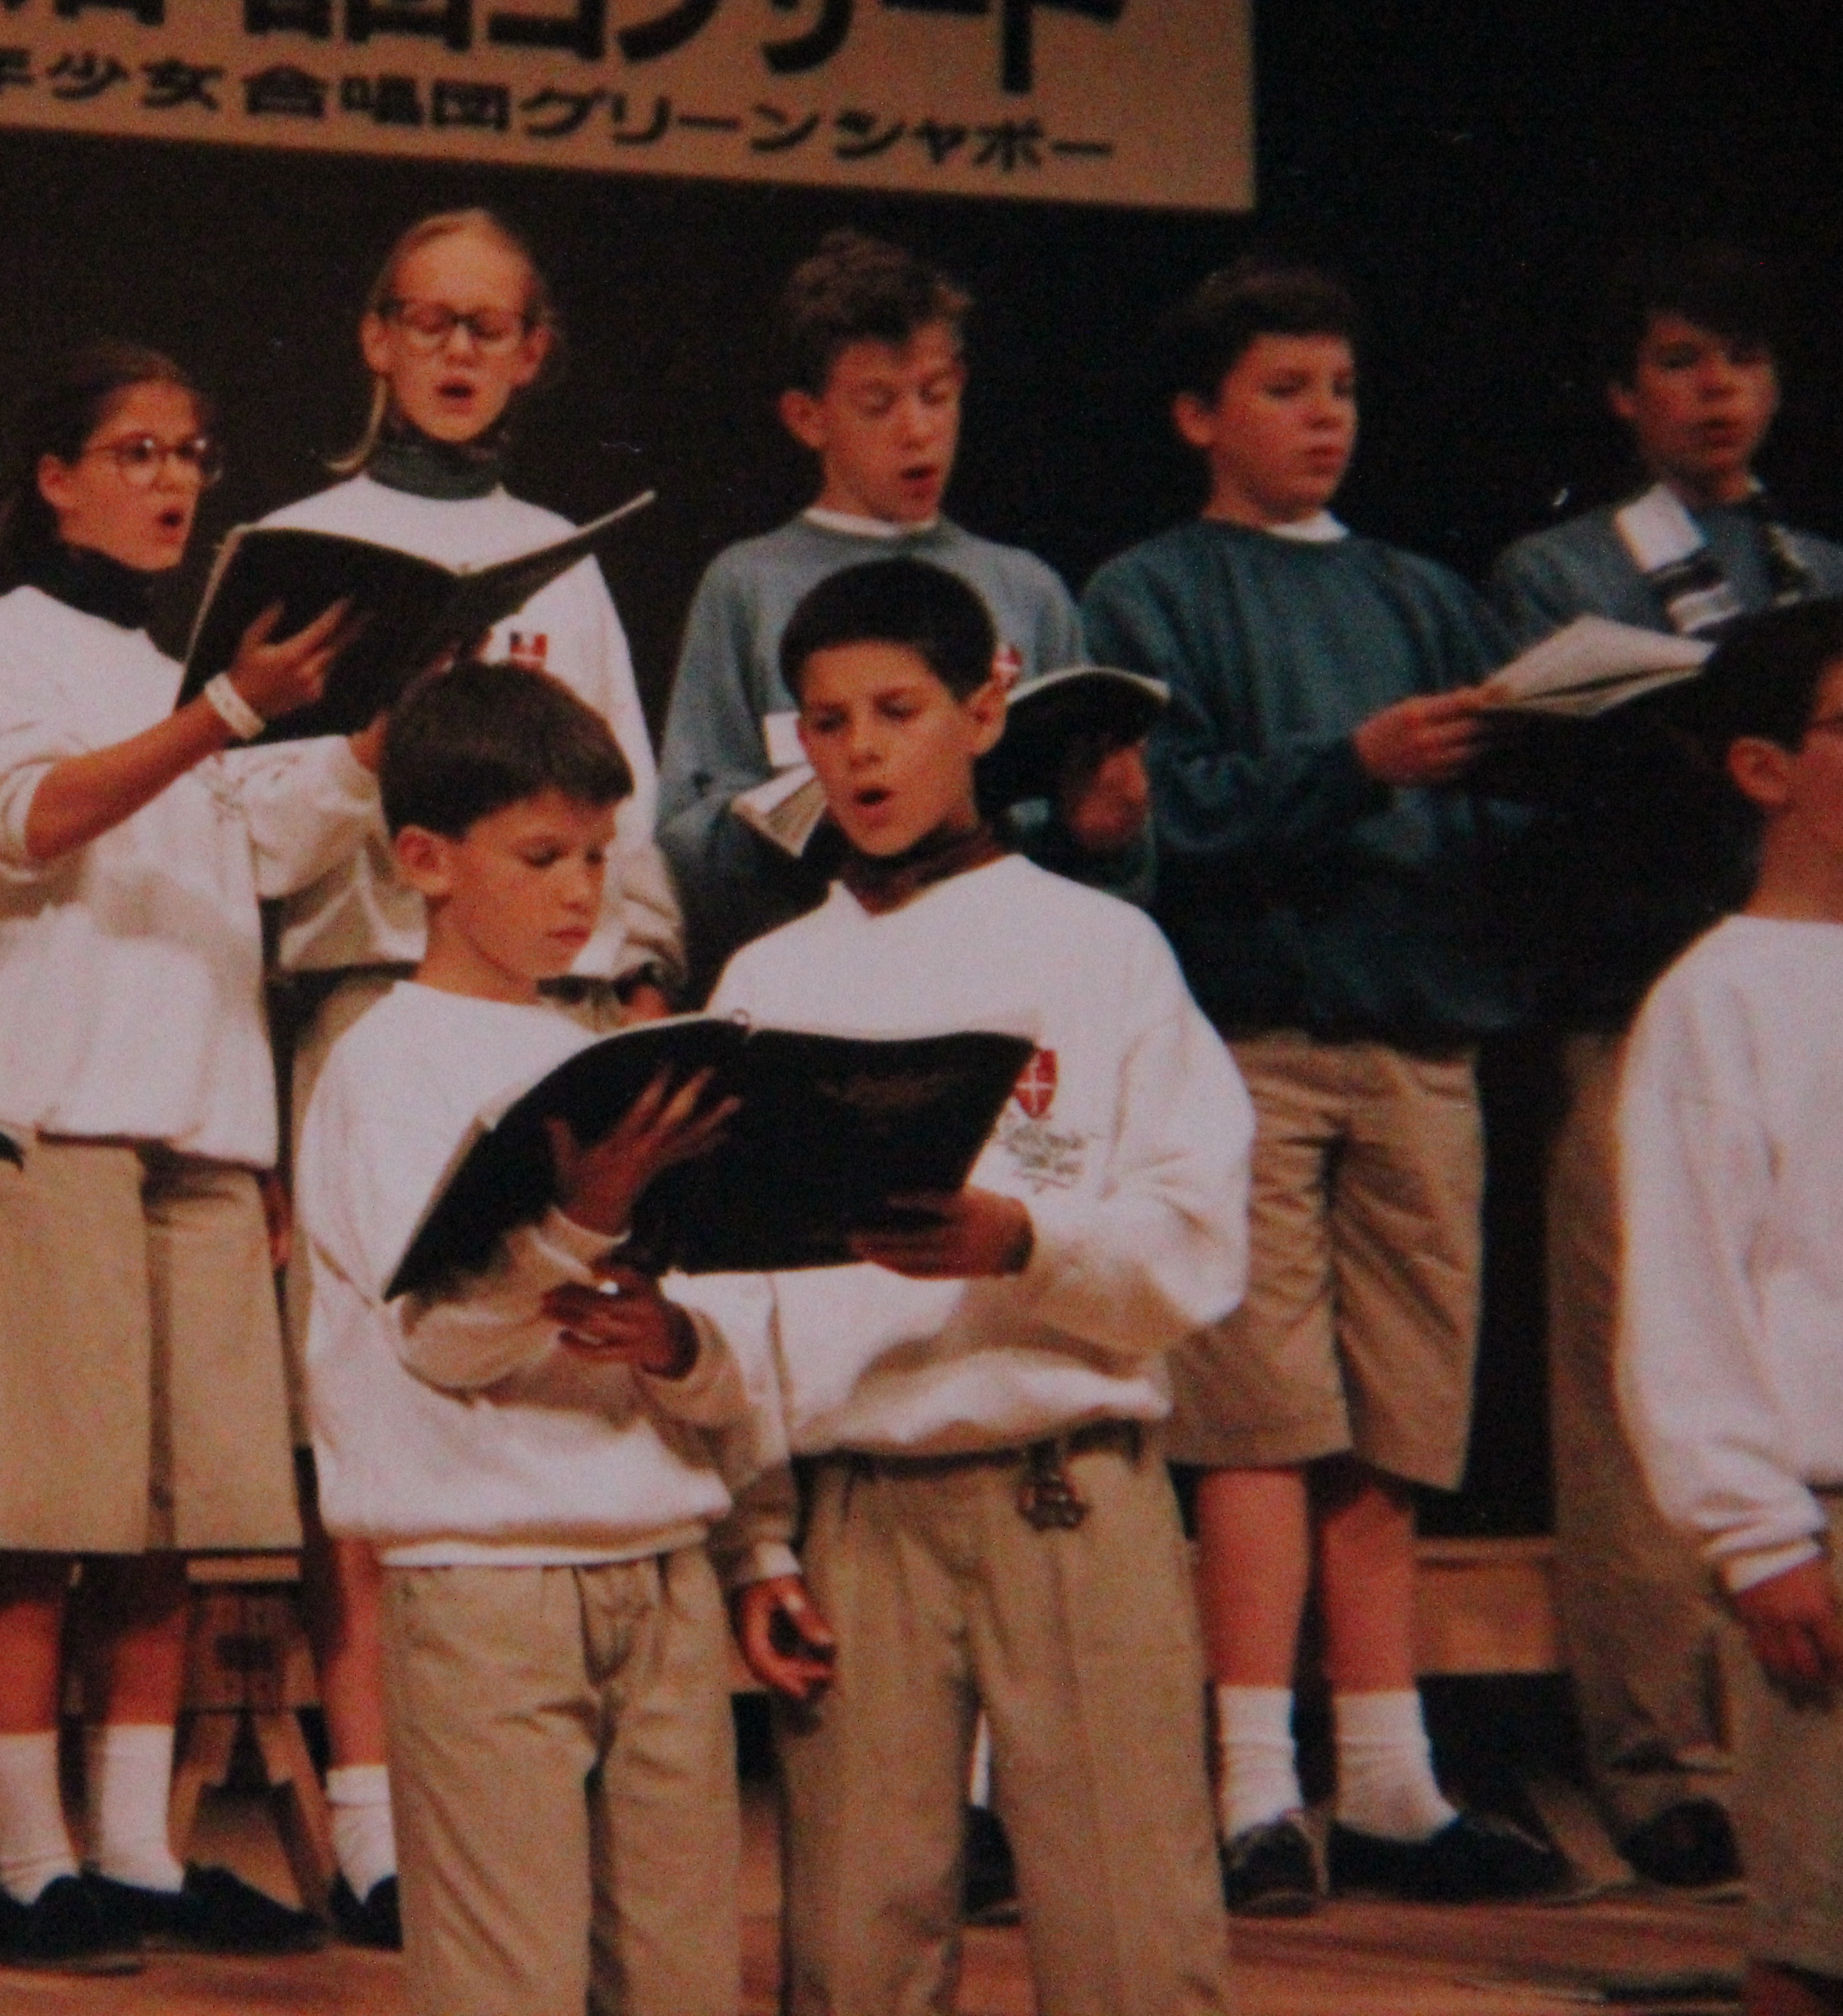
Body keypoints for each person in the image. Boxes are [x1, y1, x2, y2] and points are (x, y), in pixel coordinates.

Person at [667, 557, 1248, 2015]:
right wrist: (756, 1539)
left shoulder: (1100, 948)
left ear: (983, 710)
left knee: (1132, 1937)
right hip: (857, 1507)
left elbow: (1196, 1237)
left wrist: (1021, 1244)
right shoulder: (765, 982)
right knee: (854, 1946)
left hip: (1066, 1485)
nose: (860, 752)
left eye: (896, 711)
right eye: (826, 722)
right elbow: (727, 1286)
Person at [1081, 258, 1558, 1908]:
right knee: (1261, 1419)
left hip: (1419, 1042)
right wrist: (1352, 765)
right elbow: (1159, 814)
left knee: (1397, 1417)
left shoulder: (1423, 595)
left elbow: (1502, 808)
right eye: (1284, 390)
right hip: (1257, 1044)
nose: (1322, 419)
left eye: (1339, 390)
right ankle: (1251, 1784)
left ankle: (1391, 1778)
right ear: (1198, 415)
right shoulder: (1152, 592)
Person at [0, 342, 373, 1968]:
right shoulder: (6, 641)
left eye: (191, 453)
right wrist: (225, 711)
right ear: (57, 479)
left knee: (171, 1512)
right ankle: (25, 1865)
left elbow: (249, 846)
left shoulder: (178, 670)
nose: (172, 481)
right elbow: (23, 818)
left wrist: (367, 736)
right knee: (37, 1511)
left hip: (194, 1116)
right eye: (137, 451)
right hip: (43, 1113)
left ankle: (134, 1852)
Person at [253, 205, 683, 1946]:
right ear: (374, 337)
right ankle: (376, 1812)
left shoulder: (558, 561)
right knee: (383, 1390)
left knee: (552, 1340)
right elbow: (247, 827)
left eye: (486, 325)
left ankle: (540, 1790)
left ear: (531, 352)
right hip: (370, 984)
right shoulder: (307, 545)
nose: (453, 351)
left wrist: (637, 979)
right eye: (424, 319)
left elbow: (617, 797)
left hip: (552, 1001)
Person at [297, 659, 764, 2016]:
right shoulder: (384, 1063)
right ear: (426, 860)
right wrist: (583, 1214)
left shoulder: (606, 1050)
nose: (580, 890)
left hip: (659, 1564)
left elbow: (729, 1342)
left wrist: (675, 1342)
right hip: (485, 1578)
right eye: (541, 855)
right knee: (507, 1979)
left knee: (682, 1980)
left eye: (599, 855)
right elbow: (441, 1344)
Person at [1484, 243, 1843, 1887]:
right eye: (1681, 360)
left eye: (1744, 361)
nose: (1718, 391)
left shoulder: (1824, 569)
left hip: (1827, 989)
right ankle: (1662, 1754)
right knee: (1651, 1357)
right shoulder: (1561, 569)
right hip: (1644, 986)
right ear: (1623, 392)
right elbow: (1521, 798)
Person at [660, 230, 1146, 968]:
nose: (918, 430)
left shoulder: (1027, 589)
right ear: (808, 418)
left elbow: (1108, 865)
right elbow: (684, 832)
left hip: (1002, 963)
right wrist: (812, 814)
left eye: (935, 395)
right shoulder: (748, 584)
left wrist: (1109, 839)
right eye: (878, 403)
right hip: (820, 960)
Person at [1617, 599, 1843, 2016]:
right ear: (1765, 768)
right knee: (1825, 1931)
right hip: (1837, 1527)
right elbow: (1684, 1296)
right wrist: (1759, 1534)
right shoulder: (1720, 999)